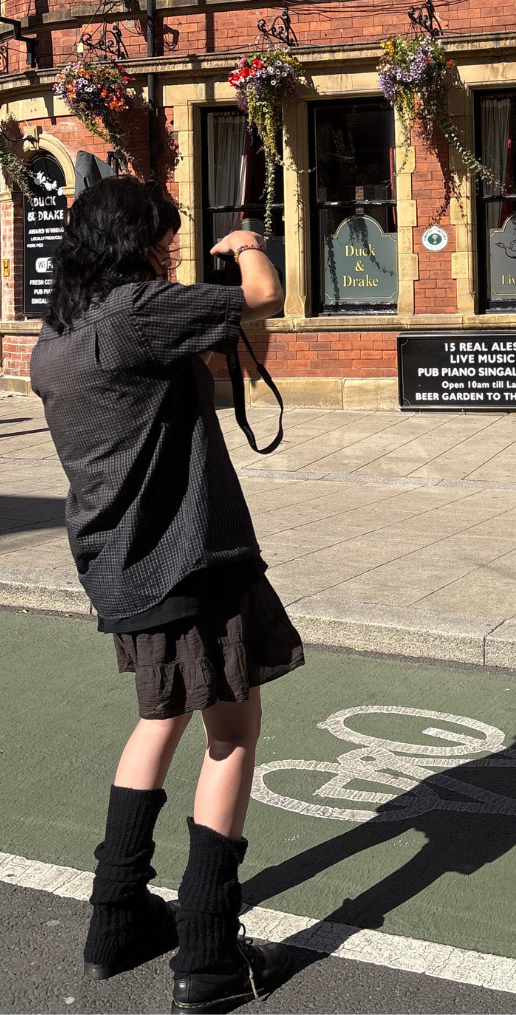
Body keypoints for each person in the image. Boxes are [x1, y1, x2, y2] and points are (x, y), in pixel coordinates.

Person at [30, 177, 303, 1014]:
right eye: (163, 238)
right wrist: (249, 241)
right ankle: (210, 953)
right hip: (191, 558)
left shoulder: (58, 336)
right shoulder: (135, 313)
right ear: (131, 245)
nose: (173, 251)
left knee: (160, 717)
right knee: (233, 730)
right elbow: (264, 296)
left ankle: (116, 920)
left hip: (121, 563)